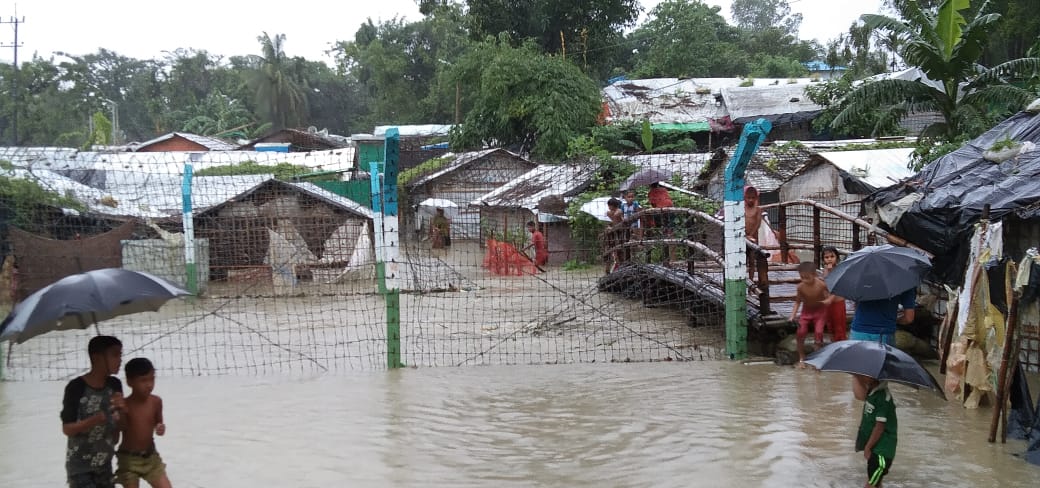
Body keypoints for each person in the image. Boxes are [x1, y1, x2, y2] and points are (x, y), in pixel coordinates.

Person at [61, 335, 126, 488]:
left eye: (120, 355)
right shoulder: (76, 387)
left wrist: (123, 409)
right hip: (80, 469)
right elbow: (67, 429)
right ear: (97, 358)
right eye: (115, 355)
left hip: (105, 465)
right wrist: (94, 420)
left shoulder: (115, 385)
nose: (120, 360)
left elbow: (120, 430)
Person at [116, 358, 171, 488]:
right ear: (129, 382)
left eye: (152, 379)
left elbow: (158, 423)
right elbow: (120, 428)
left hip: (151, 457)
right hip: (129, 460)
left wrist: (160, 427)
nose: (149, 385)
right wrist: (121, 413)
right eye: (143, 380)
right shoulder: (125, 405)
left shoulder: (156, 402)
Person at [853, 374, 898, 487]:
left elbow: (879, 428)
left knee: (870, 485)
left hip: (882, 453)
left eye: (865, 375)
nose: (863, 375)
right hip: (876, 448)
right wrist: (856, 376)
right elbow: (858, 395)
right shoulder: (872, 392)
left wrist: (867, 447)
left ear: (874, 378)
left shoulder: (884, 398)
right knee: (876, 483)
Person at [790, 261, 834, 366]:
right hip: (806, 312)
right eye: (802, 277)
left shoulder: (821, 284)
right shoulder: (800, 287)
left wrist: (829, 300)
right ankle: (801, 357)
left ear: (814, 275)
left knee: (819, 332)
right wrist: (793, 315)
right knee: (801, 332)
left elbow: (832, 293)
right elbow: (797, 302)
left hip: (820, 311)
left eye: (807, 278)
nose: (804, 280)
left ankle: (817, 359)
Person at [849, 288, 916, 346]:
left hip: (857, 332)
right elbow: (908, 318)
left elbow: (856, 306)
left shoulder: (861, 279)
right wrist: (893, 320)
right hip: (883, 334)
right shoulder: (904, 281)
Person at [821, 246, 848, 342]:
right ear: (823, 260)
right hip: (828, 303)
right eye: (826, 257)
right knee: (830, 324)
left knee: (839, 325)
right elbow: (825, 284)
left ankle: (841, 343)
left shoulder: (839, 270)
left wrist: (830, 299)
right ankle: (833, 342)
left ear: (837, 258)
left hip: (838, 302)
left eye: (832, 257)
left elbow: (837, 286)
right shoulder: (825, 270)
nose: (829, 259)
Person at [647, 182, 677, 263]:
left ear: (650, 185)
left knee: (664, 230)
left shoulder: (651, 193)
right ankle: (672, 259)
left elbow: (654, 205)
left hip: (661, 211)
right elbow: (669, 200)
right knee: (670, 231)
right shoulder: (664, 189)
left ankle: (668, 258)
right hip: (670, 209)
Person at [605, 197, 626, 273]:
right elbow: (611, 222)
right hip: (613, 233)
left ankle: (619, 265)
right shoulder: (609, 212)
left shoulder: (619, 211)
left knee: (619, 249)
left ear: (613, 205)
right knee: (613, 249)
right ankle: (613, 266)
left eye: (609, 205)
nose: (608, 207)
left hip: (620, 232)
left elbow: (619, 219)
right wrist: (610, 226)